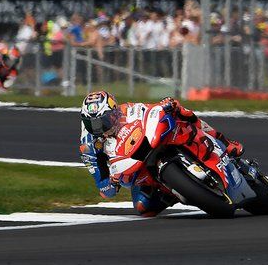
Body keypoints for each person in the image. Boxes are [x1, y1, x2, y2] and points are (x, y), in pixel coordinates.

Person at [78, 91, 243, 216]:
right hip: (135, 167)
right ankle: (174, 191)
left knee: (179, 110)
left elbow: (150, 111)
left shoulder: (127, 110)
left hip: (150, 143)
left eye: (102, 121)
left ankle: (225, 142)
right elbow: (102, 183)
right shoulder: (89, 145)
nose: (99, 128)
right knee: (143, 208)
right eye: (92, 124)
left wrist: (165, 105)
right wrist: (111, 183)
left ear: (114, 113)